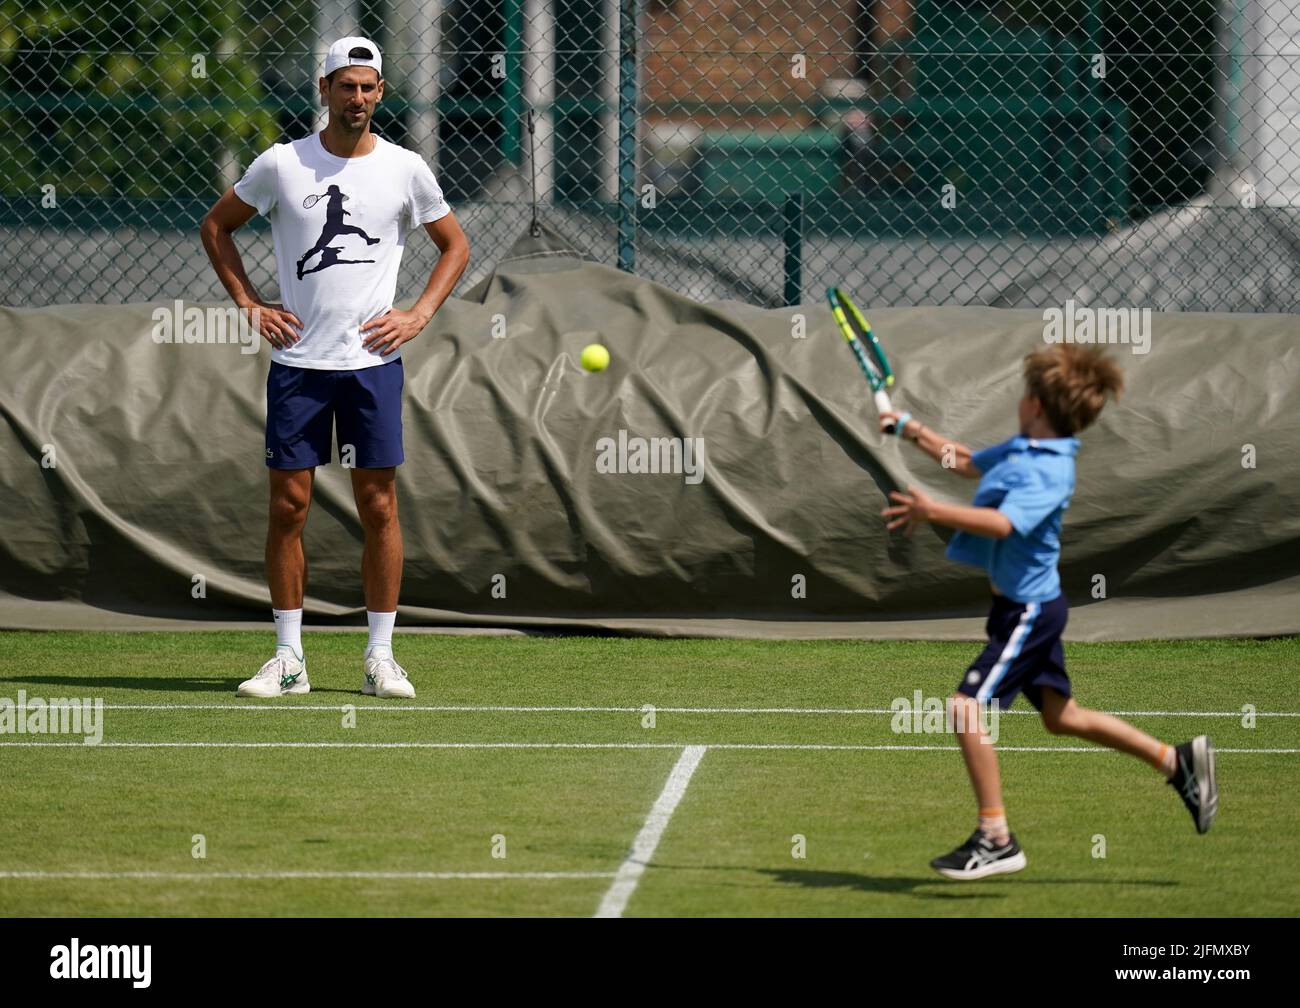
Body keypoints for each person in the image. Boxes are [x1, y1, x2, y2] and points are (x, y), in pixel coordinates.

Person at [879, 343, 1218, 879]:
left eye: (1024, 393)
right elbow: (964, 462)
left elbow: (1003, 525)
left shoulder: (1048, 472)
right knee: (1063, 718)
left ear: (1036, 405)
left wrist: (930, 509)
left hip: (1029, 613)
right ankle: (1176, 762)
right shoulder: (1024, 450)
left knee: (965, 708)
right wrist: (908, 428)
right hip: (1023, 606)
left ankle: (995, 836)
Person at [200, 36, 470, 699]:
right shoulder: (281, 165)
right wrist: (248, 303)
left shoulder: (406, 169)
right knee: (288, 506)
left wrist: (419, 315)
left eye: (368, 87)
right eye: (345, 86)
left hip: (373, 365)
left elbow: (455, 245)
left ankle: (381, 658)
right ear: (323, 90)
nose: (357, 98)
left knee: (379, 506)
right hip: (297, 364)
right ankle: (288, 660)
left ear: (381, 93)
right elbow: (217, 226)